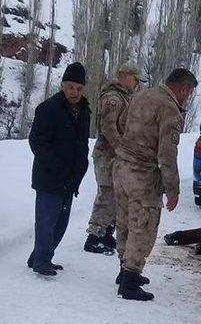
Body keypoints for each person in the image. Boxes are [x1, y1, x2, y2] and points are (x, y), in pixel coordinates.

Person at [112, 68, 198, 301]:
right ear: (184, 88)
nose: (186, 97)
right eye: (188, 93)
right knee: (143, 226)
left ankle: (124, 270)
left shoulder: (140, 95)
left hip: (121, 167)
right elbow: (167, 154)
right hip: (143, 175)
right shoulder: (169, 109)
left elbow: (120, 123)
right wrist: (173, 190)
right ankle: (129, 280)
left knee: (124, 221)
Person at [27, 62, 90, 276]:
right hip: (49, 177)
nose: (74, 92)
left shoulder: (84, 111)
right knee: (47, 221)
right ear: (63, 85)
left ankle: (40, 255)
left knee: (60, 223)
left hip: (70, 178)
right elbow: (37, 143)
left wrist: (81, 166)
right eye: (70, 87)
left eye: (79, 88)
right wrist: (56, 166)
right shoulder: (48, 108)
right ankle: (42, 260)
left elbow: (82, 143)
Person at [84, 62, 140, 255]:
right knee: (107, 194)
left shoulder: (125, 97)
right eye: (135, 79)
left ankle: (106, 232)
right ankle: (94, 236)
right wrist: (120, 148)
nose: (137, 84)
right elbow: (108, 127)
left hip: (117, 156)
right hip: (107, 155)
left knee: (117, 195)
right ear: (125, 76)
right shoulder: (112, 98)